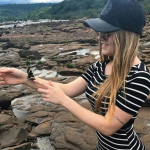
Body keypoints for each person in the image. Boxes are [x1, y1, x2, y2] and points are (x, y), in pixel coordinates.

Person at [0, 0, 149, 149]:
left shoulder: (139, 77)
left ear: (125, 36)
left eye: (106, 34)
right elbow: (68, 89)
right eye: (99, 32)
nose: (99, 38)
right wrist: (25, 79)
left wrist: (64, 101)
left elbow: (108, 126)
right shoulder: (100, 66)